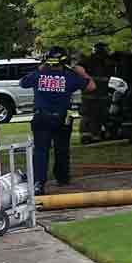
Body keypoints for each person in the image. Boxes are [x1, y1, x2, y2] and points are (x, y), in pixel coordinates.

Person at [18, 47, 95, 194]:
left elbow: (22, 83)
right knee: (62, 149)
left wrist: (39, 69)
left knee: (41, 151)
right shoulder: (70, 76)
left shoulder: (39, 75)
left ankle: (38, 183)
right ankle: (63, 178)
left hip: (41, 117)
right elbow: (91, 86)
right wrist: (82, 72)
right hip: (61, 118)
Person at [78, 42, 114, 144]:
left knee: (91, 115)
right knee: (95, 115)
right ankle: (93, 135)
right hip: (98, 94)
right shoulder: (106, 62)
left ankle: (89, 135)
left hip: (93, 94)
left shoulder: (87, 61)